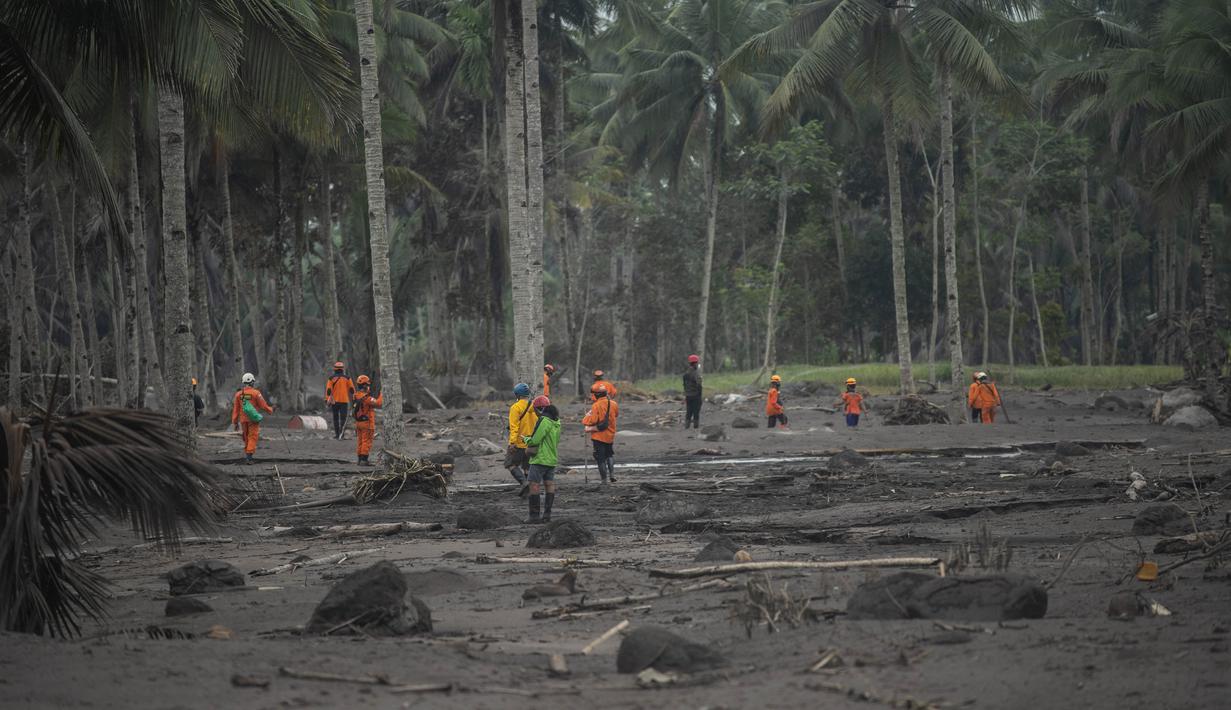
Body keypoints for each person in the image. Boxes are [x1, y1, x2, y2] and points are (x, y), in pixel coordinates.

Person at [522, 396, 561, 523]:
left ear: (538, 409)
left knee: (534, 484)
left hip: (540, 459)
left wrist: (526, 439)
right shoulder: (557, 422)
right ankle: (547, 515)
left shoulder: (544, 420)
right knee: (549, 484)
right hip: (552, 458)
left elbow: (535, 441)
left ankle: (534, 516)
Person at [231, 373, 274, 464]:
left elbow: (236, 410)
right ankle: (249, 456)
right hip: (253, 419)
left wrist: (235, 422)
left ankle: (248, 454)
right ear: (252, 382)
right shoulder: (256, 393)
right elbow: (263, 405)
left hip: (243, 420)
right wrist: (271, 410)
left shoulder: (238, 394)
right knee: (252, 436)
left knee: (246, 436)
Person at [506, 383, 539, 495]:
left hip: (519, 443)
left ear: (517, 394)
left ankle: (524, 483)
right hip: (532, 442)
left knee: (510, 464)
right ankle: (529, 491)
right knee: (527, 467)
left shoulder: (515, 407)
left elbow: (514, 427)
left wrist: (512, 443)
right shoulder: (534, 406)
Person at [582, 383, 619, 482]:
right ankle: (612, 475)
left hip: (599, 436)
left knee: (600, 458)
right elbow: (616, 414)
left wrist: (586, 418)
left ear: (596, 395)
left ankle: (604, 480)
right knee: (609, 455)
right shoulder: (614, 404)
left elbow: (593, 420)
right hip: (610, 435)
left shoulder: (596, 405)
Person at [352, 375, 383, 465]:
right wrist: (382, 393)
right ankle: (364, 460)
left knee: (360, 441)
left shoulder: (355, 396)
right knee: (367, 441)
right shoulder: (367, 398)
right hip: (367, 423)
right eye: (368, 385)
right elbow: (378, 403)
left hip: (358, 423)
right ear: (365, 385)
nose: (369, 387)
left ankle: (359, 459)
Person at [324, 362, 355, 440]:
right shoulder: (347, 378)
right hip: (344, 401)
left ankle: (337, 434)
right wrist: (355, 399)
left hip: (334, 401)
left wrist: (326, 399)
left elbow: (328, 390)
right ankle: (342, 434)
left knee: (335, 418)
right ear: (343, 369)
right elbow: (352, 390)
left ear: (335, 369)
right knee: (343, 419)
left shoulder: (331, 378)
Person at [682, 354, 703, 429]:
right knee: (696, 411)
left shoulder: (685, 373)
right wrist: (700, 395)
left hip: (688, 395)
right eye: (697, 363)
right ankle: (695, 427)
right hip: (695, 395)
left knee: (689, 411)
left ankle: (687, 426)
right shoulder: (695, 373)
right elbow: (699, 385)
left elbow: (684, 385)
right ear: (695, 363)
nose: (697, 364)